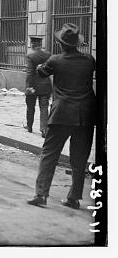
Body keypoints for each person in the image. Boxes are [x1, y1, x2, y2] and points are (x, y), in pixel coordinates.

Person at [27, 24, 96, 210]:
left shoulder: (56, 60)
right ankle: (74, 198)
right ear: (77, 44)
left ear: (60, 44)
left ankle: (41, 195)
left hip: (62, 114)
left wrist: (42, 64)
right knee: (79, 158)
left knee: (50, 153)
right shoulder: (89, 59)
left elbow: (41, 72)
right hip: (86, 115)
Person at [23, 37, 52, 137]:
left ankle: (29, 127)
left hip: (33, 86)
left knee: (30, 107)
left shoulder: (30, 56)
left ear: (32, 44)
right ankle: (44, 130)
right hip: (45, 86)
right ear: (40, 44)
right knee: (44, 108)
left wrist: (28, 87)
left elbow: (30, 73)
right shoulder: (47, 54)